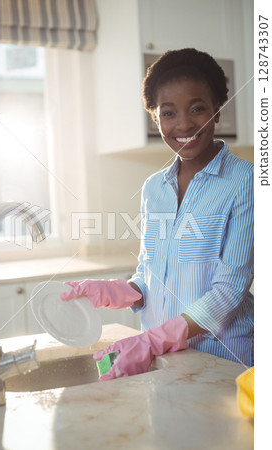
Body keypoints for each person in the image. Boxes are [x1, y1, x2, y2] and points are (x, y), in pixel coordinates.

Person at [61, 48, 254, 380]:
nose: (183, 124)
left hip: (224, 361)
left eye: (197, 109)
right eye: (168, 113)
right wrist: (119, 291)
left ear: (217, 111)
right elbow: (152, 274)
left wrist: (153, 340)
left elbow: (229, 291)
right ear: (155, 118)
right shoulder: (154, 188)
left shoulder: (245, 181)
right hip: (164, 362)